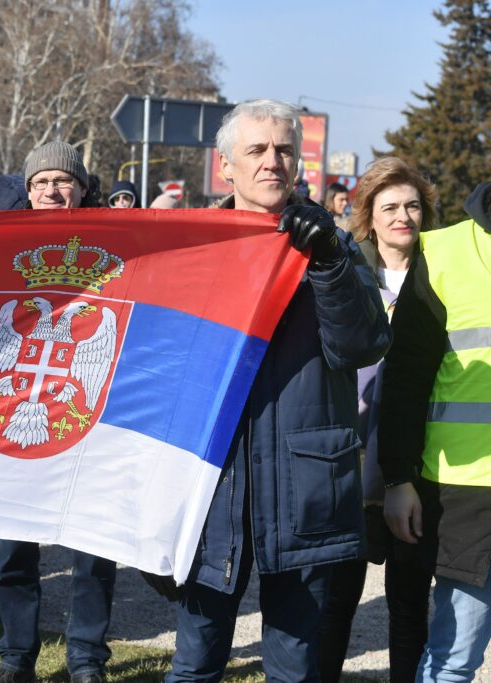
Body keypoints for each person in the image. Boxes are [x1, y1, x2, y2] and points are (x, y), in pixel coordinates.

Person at [148, 100, 390, 682]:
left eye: (284, 149)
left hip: (304, 485)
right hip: (215, 484)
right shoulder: (192, 247)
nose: (272, 161)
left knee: (294, 669)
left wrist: (329, 262)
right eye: (256, 150)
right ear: (225, 166)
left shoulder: (333, 245)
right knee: (196, 662)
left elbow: (360, 346)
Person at [0, 141, 116, 683]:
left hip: (87, 413)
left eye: (63, 181)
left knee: (93, 545)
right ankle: (15, 657)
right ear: (26, 190)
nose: (52, 191)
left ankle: (86, 658)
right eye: (40, 183)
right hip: (16, 412)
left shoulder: (120, 245)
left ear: (83, 189)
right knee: (13, 543)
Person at [316, 157, 438, 682]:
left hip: (417, 463)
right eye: (389, 206)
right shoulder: (349, 272)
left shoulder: (442, 274)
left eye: (412, 205)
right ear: (368, 214)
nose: (403, 217)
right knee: (334, 603)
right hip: (349, 461)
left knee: (409, 605)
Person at [380, 180, 491, 681]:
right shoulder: (447, 249)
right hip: (468, 494)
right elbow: (405, 377)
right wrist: (398, 478)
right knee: (454, 657)